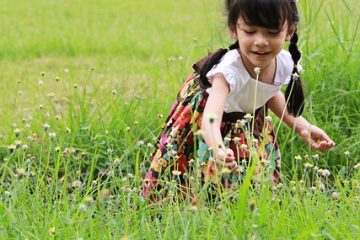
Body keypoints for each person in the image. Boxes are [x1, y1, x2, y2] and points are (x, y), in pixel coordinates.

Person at [141, 0, 335, 202]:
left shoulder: (284, 62)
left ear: (289, 31)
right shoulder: (228, 71)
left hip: (245, 119)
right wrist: (216, 148)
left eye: (271, 32)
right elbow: (210, 118)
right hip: (205, 121)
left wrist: (301, 126)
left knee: (246, 174)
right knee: (189, 171)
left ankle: (238, 210)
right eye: (250, 32)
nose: (260, 41)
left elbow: (268, 92)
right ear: (234, 29)